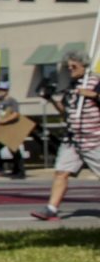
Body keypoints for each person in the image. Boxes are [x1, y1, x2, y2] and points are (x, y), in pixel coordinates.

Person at [31, 47, 100, 219]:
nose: (70, 70)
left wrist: (93, 95)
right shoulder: (71, 87)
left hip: (94, 140)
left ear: (84, 66)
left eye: (73, 67)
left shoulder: (95, 83)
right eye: (68, 67)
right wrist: (51, 99)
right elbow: (65, 112)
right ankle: (51, 209)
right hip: (73, 140)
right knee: (61, 172)